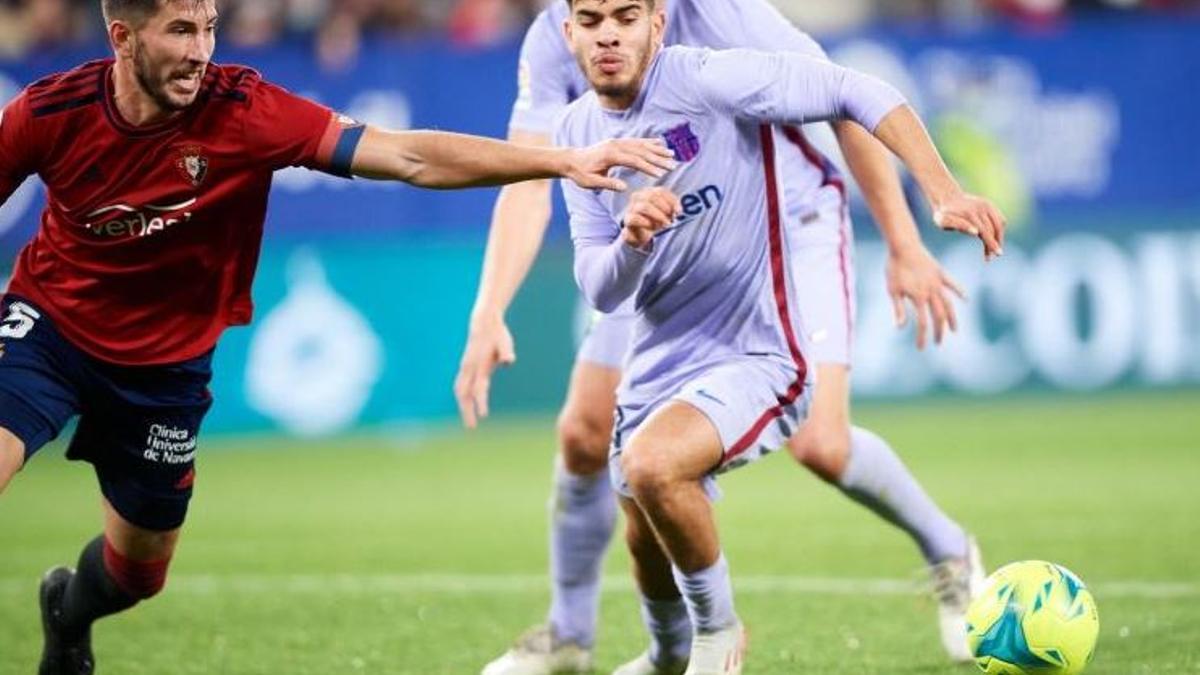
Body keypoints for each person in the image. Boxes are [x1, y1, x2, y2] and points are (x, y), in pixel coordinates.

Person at [0, 2, 675, 673]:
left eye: (208, 27)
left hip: (165, 372)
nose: (202, 50)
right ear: (122, 36)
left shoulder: (245, 110)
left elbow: (408, 156)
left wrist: (557, 162)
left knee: (136, 573)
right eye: (180, 31)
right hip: (48, 329)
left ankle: (70, 608)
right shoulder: (47, 112)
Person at [462, 1, 996, 672]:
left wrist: (903, 237)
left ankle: (948, 550)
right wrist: (490, 309)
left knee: (822, 443)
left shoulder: (722, 19)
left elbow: (841, 95)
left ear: (654, 19)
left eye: (625, 15)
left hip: (783, 215)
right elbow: (533, 175)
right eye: (592, 18)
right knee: (587, 433)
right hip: (656, 230)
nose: (607, 30)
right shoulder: (554, 38)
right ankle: (575, 635)